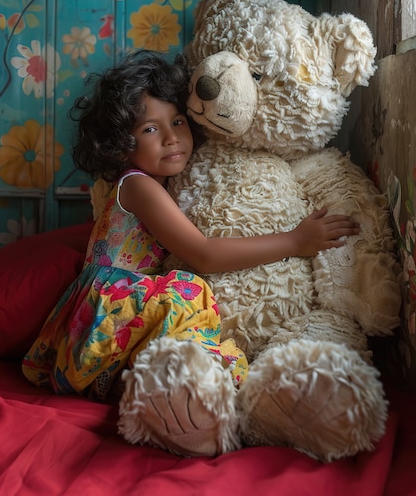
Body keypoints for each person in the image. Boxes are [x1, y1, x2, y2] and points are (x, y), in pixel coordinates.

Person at [22, 50, 359, 401]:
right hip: (110, 315)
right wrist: (295, 241)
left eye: (178, 122)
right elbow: (204, 254)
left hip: (112, 316)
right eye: (151, 129)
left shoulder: (156, 182)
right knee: (188, 296)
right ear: (121, 145)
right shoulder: (138, 186)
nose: (171, 138)